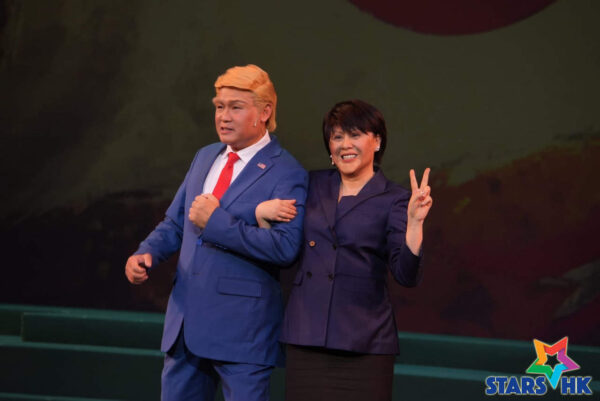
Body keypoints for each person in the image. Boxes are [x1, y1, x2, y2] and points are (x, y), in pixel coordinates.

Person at [124, 64, 308, 401]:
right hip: (185, 325)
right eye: (220, 106)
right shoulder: (205, 156)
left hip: (243, 332)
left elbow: (285, 248)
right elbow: (177, 222)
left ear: (265, 112)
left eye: (236, 107)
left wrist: (217, 223)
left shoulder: (286, 171)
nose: (223, 116)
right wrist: (146, 252)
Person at [256, 99, 432, 400]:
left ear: (377, 141)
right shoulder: (310, 184)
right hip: (306, 337)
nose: (345, 145)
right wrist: (261, 215)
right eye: (337, 136)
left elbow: (406, 274)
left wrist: (415, 224)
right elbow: (281, 249)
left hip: (365, 343)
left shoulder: (395, 198)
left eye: (355, 135)